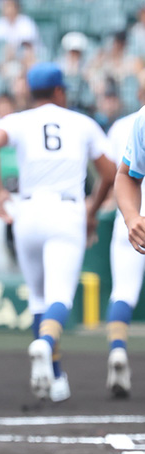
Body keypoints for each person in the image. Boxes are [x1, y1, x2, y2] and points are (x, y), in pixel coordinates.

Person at [0, 63, 115, 403]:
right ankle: (44, 346)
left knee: (40, 298)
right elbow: (110, 172)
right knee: (60, 298)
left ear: (30, 93)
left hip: (27, 212)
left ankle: (55, 378)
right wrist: (92, 208)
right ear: (60, 92)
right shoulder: (82, 122)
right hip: (66, 211)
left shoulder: (18, 120)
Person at [104, 101, 145, 398]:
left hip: (131, 221)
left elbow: (110, 174)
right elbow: (123, 173)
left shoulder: (127, 123)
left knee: (123, 292)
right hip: (134, 220)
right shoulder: (141, 120)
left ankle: (118, 349)